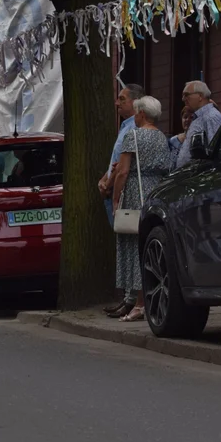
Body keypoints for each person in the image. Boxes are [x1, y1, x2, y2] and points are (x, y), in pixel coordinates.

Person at [112, 96, 172, 323]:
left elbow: (123, 172)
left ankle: (138, 303)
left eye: (136, 112)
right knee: (150, 245)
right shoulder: (161, 137)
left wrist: (116, 199)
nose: (134, 116)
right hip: (155, 191)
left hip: (136, 192)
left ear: (142, 114)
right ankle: (144, 299)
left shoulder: (133, 136)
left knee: (134, 245)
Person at [101, 83, 143, 318]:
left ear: (136, 103)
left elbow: (124, 168)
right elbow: (115, 161)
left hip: (124, 195)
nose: (117, 103)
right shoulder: (125, 127)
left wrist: (110, 186)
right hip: (112, 190)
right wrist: (103, 179)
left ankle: (131, 299)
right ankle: (127, 297)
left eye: (122, 99)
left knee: (129, 246)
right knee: (123, 247)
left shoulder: (134, 130)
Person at [175, 80, 221, 169]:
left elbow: (216, 151)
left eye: (186, 95)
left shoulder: (211, 117)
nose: (183, 99)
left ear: (200, 96)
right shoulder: (199, 117)